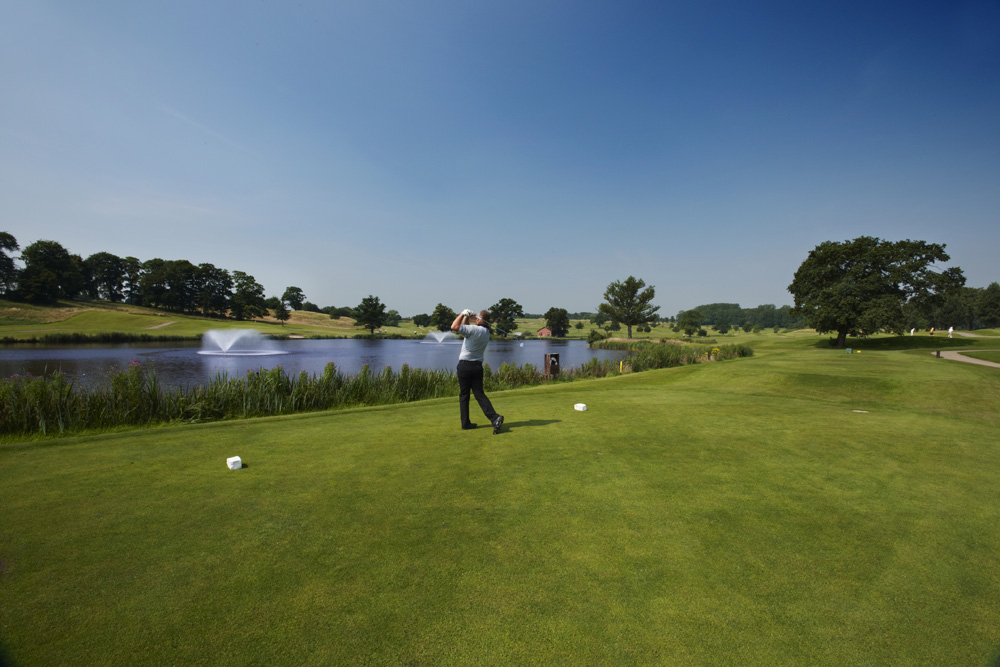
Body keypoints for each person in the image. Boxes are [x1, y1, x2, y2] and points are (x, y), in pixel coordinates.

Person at [451, 309, 504, 434]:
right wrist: (468, 318)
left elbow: (454, 327)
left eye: (477, 318)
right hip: (477, 366)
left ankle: (465, 423)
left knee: (464, 395)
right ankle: (494, 417)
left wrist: (462, 314)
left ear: (480, 320)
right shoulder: (486, 333)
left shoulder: (474, 330)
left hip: (464, 365)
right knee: (479, 394)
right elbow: (466, 329)